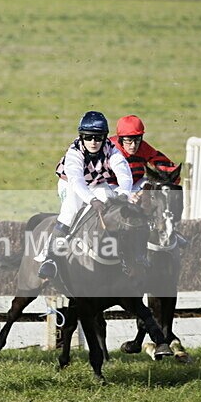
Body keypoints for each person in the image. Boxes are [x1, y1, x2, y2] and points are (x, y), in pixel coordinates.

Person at [37, 110, 134, 280]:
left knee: (113, 209)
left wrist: (123, 195)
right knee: (71, 209)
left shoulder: (112, 150)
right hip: (71, 184)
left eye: (98, 137)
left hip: (97, 183)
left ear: (104, 137)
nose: (93, 142)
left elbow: (125, 175)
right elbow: (76, 181)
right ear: (82, 136)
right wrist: (92, 200)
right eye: (88, 137)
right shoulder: (74, 152)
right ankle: (50, 258)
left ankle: (121, 254)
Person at [107, 114, 179, 192]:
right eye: (128, 140)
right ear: (120, 139)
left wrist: (172, 179)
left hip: (135, 184)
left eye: (137, 139)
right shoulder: (109, 147)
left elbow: (164, 164)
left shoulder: (143, 147)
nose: (133, 145)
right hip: (112, 186)